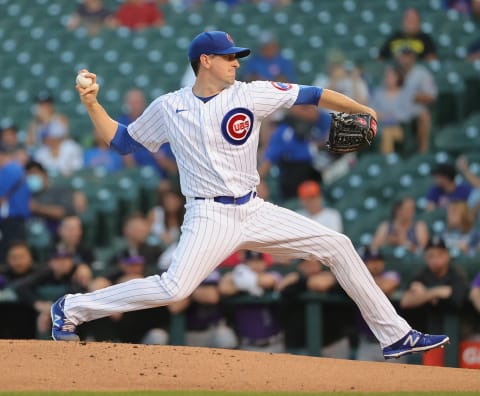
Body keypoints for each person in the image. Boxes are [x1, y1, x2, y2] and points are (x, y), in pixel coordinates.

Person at [51, 30, 449, 360]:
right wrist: (92, 104)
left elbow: (314, 94)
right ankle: (70, 309)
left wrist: (365, 108)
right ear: (205, 61)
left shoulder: (251, 94)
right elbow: (122, 141)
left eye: (236, 57)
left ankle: (395, 335)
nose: (236, 62)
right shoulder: (169, 106)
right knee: (174, 289)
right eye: (228, 57)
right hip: (209, 217)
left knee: (338, 245)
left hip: (253, 208)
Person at [278, 257, 352, 358]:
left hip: (334, 344)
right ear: (300, 266)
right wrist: (304, 281)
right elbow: (284, 293)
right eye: (307, 264)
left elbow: (351, 294)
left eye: (315, 263)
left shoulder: (333, 278)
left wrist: (333, 282)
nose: (312, 267)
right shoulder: (293, 280)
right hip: (300, 346)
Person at [400, 236, 469, 336]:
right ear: (425, 257)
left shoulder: (457, 274)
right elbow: (405, 301)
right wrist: (435, 293)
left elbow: (456, 303)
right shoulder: (421, 274)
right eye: (431, 256)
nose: (435, 259)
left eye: (440, 255)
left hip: (457, 333)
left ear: (447, 255)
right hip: (425, 331)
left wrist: (423, 295)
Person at [219, 251, 284, 353]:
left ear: (264, 262)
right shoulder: (237, 277)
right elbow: (224, 288)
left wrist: (242, 281)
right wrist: (243, 281)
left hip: (274, 344)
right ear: (245, 264)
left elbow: (269, 281)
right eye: (252, 261)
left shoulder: (273, 274)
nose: (256, 265)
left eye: (259, 261)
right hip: (248, 345)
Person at [355, 247, 404, 362]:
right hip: (368, 342)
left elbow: (387, 286)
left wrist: (365, 285)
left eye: (378, 261)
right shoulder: (356, 278)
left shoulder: (391, 273)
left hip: (394, 342)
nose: (375, 265)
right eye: (370, 261)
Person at [117, 88, 177, 182]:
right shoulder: (122, 123)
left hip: (160, 177)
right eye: (132, 103)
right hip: (135, 178)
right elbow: (126, 158)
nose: (135, 106)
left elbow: (172, 166)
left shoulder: (156, 122)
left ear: (144, 103)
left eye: (138, 102)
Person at [394, 46, 437, 153]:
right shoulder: (393, 71)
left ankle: (423, 151)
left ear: (413, 57)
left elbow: (431, 96)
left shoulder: (421, 73)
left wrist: (414, 96)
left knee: (424, 115)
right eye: (403, 56)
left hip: (413, 107)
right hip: (393, 105)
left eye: (408, 56)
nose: (405, 59)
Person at [25, 160, 87, 233]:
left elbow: (63, 212)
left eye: (35, 173)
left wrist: (38, 208)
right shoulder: (28, 192)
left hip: (57, 232)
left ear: (44, 174)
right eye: (29, 175)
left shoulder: (59, 189)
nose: (32, 177)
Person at [369, 65, 410, 155]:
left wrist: (391, 116)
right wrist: (380, 115)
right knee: (385, 132)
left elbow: (406, 115)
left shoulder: (403, 94)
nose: (388, 79)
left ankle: (386, 162)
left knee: (387, 133)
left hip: (399, 128)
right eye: (387, 76)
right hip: (380, 127)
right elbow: (371, 110)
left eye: (391, 76)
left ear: (398, 78)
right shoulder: (379, 92)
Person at [0, 144, 30, 262]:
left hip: (13, 219)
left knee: (11, 253)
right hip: (12, 220)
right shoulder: (15, 168)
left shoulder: (11, 169)